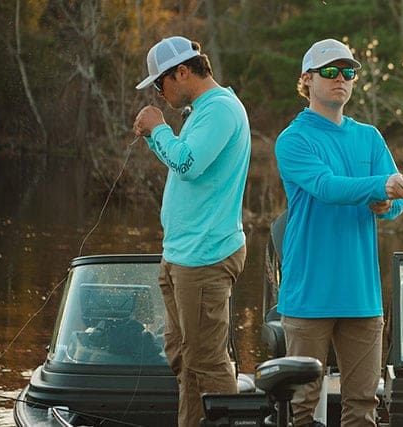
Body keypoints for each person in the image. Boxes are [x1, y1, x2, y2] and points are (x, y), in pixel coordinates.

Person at [274, 38, 403, 427]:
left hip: (362, 298)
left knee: (363, 407)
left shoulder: (369, 137)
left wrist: (387, 202)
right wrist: (378, 187)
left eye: (348, 72)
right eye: (330, 71)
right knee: (300, 410)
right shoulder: (293, 140)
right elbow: (326, 186)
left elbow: (394, 203)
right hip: (307, 296)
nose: (341, 79)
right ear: (307, 79)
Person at [132, 35, 251, 427]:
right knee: (183, 358)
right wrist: (156, 136)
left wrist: (159, 128)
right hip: (181, 255)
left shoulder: (220, 110)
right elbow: (184, 165)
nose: (159, 93)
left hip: (205, 257)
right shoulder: (203, 110)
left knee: (207, 363)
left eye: (159, 84)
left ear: (182, 72)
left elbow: (187, 163)